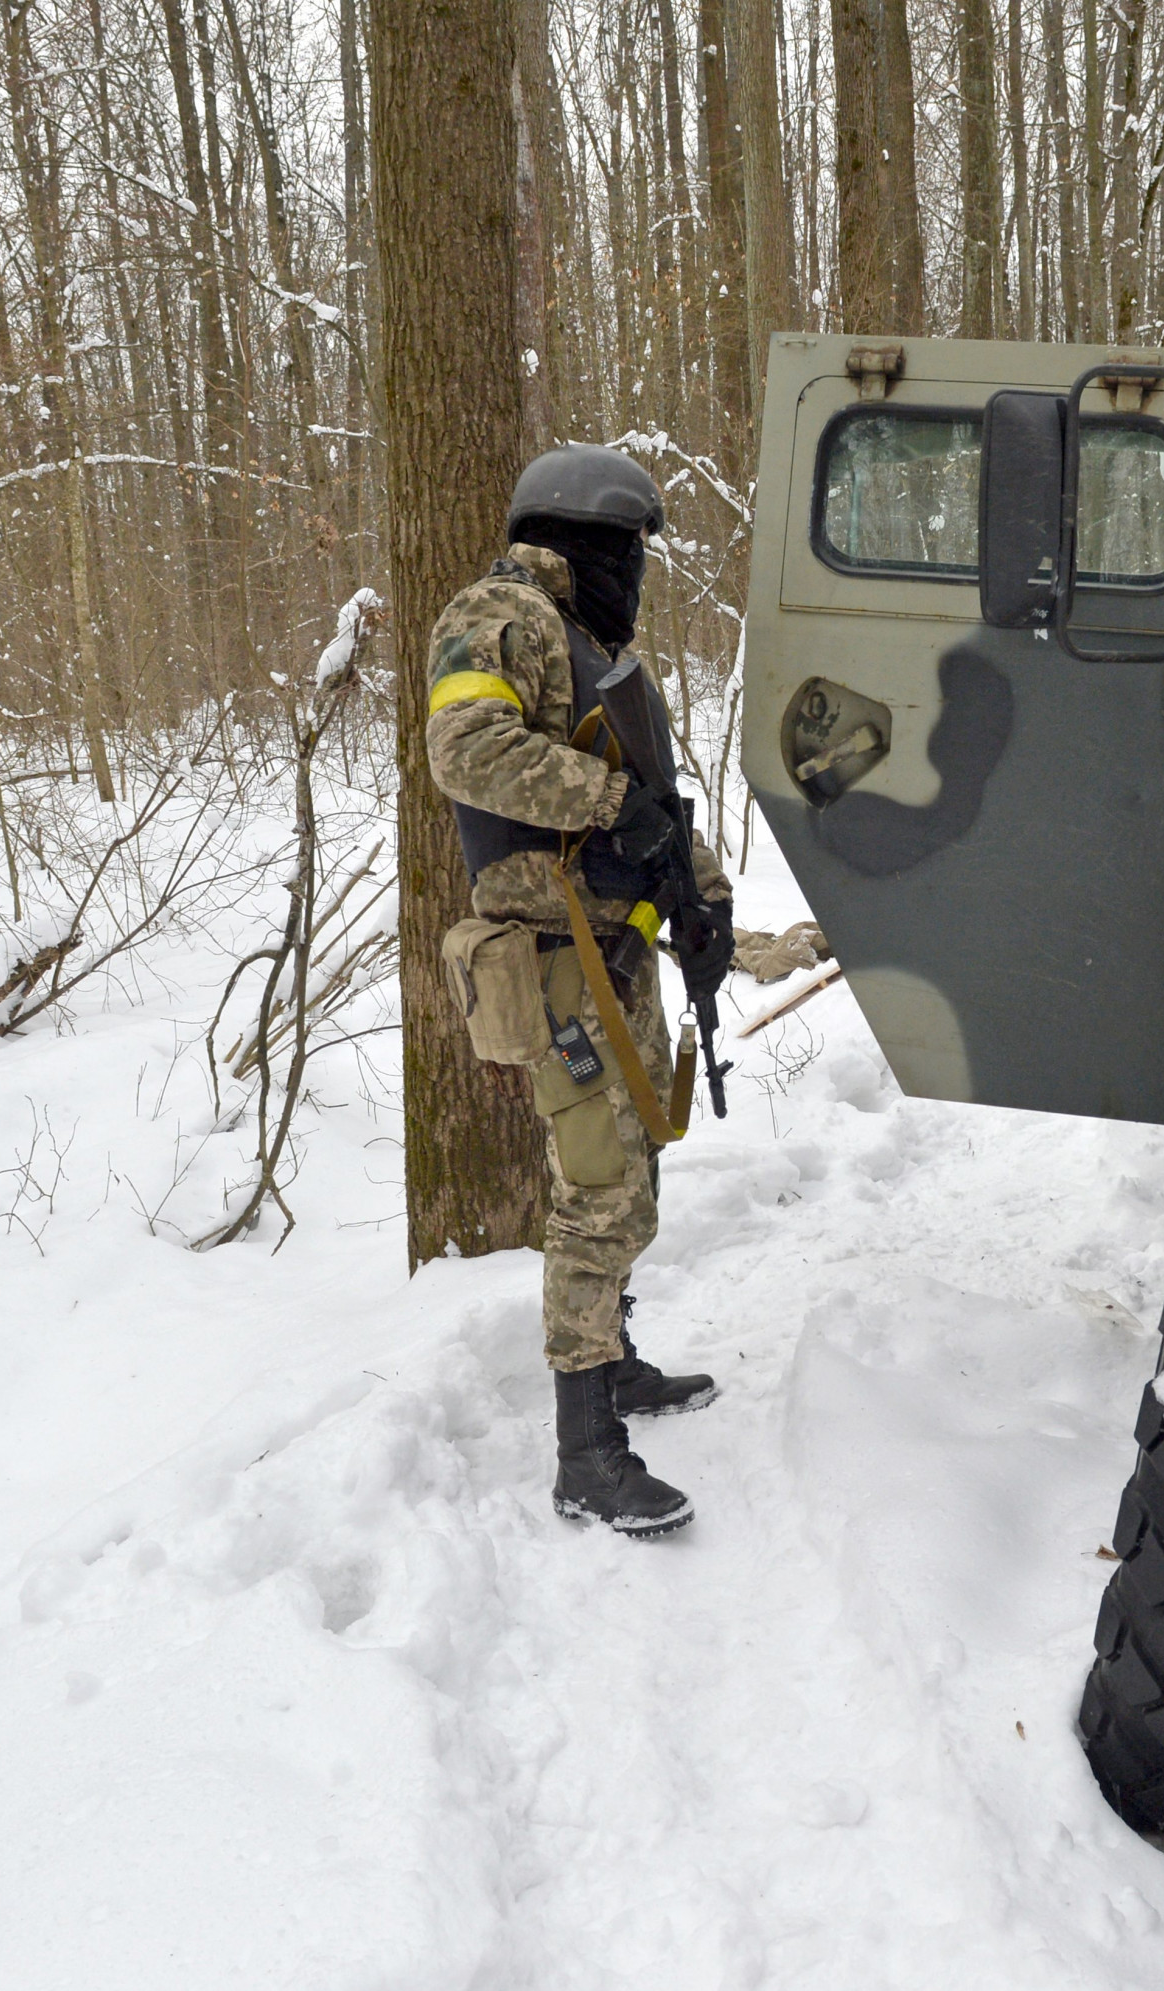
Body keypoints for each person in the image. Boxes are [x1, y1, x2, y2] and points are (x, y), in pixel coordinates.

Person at [425, 444, 735, 1537]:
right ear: (582, 542)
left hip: (614, 950)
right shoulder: (495, 614)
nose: (637, 573)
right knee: (596, 1189)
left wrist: (704, 899)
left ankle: (613, 1366)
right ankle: (584, 1455)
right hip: (552, 956)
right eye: (628, 550)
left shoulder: (586, 643)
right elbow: (466, 750)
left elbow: (653, 804)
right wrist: (612, 803)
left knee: (631, 1170)